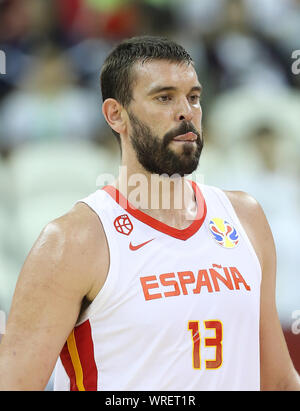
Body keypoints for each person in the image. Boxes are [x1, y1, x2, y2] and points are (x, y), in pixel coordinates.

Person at [0, 35, 299, 391]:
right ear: (116, 115)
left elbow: (278, 381)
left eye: (193, 97)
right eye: (164, 97)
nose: (186, 111)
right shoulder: (72, 242)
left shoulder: (245, 217)